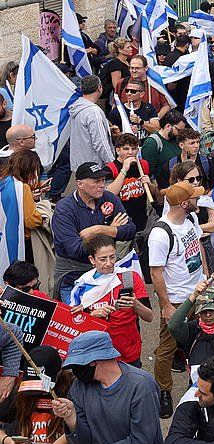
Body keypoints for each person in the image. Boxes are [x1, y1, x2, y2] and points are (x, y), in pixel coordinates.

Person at [55, 330, 165, 444]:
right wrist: (71, 417)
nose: (75, 370)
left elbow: (141, 441)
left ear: (93, 361)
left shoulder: (141, 386)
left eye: (77, 364)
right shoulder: (79, 387)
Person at [149, 178, 210, 416]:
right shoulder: (160, 233)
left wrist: (205, 275)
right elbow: (156, 272)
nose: (198, 200)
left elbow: (199, 247)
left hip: (197, 293)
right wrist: (166, 305)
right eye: (194, 197)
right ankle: (164, 391)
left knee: (199, 342)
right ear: (184, 203)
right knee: (167, 348)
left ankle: (194, 386)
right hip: (176, 299)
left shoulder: (192, 219)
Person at [50, 162, 135, 300]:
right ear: (80, 184)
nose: (102, 185)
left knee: (120, 312)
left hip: (107, 271)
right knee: (77, 319)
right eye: (96, 181)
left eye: (103, 180)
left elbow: (130, 230)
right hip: (74, 276)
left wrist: (100, 230)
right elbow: (75, 249)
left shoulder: (109, 198)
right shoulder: (64, 209)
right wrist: (113, 230)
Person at [67, 237, 153, 365]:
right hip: (97, 355)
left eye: (112, 257)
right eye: (103, 259)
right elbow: (72, 324)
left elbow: (149, 316)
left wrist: (135, 304)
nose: (109, 263)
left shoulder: (129, 277)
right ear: (92, 260)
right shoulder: (82, 285)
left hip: (129, 352)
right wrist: (91, 315)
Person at [0, 346, 74, 444]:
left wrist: (70, 415)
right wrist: (6, 441)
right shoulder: (19, 391)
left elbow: (82, 431)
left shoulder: (73, 389)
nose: (37, 392)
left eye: (41, 386)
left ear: (59, 372)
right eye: (32, 384)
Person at [105, 132, 155, 234]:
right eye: (126, 149)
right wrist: (124, 170)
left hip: (142, 218)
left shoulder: (143, 165)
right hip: (121, 221)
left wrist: (149, 184)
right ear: (118, 150)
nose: (130, 152)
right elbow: (109, 194)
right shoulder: (110, 169)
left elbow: (154, 193)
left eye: (134, 149)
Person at [68, 76, 116, 171]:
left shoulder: (76, 107)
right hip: (94, 169)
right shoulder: (93, 111)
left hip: (79, 166)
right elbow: (100, 143)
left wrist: (107, 130)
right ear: (99, 88)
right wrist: (113, 164)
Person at [143, 110, 186, 188]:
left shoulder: (177, 139)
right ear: (168, 126)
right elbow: (149, 172)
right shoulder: (152, 143)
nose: (181, 133)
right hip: (162, 188)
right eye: (178, 130)